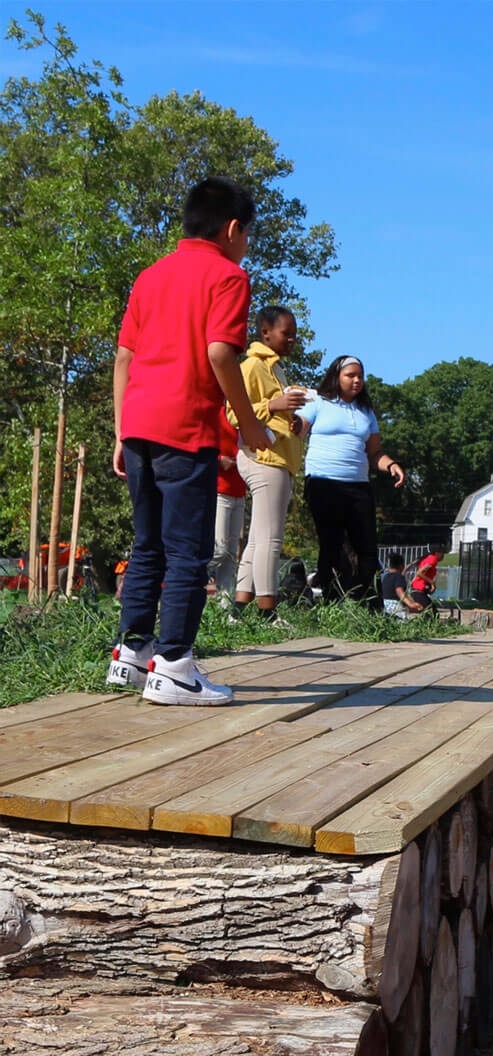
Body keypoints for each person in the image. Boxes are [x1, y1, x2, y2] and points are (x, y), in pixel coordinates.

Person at [106, 177, 272, 706]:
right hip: (185, 428)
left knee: (147, 544)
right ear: (231, 229)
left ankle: (132, 654)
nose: (246, 243)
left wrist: (120, 431)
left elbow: (125, 358)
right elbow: (223, 352)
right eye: (247, 233)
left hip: (138, 425)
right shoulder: (228, 275)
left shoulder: (150, 276)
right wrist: (249, 425)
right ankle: (175, 666)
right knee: (188, 551)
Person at [295, 355, 405, 604]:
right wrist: (292, 421)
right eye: (350, 375)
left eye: (360, 376)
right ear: (337, 377)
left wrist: (391, 465)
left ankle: (369, 603)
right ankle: (331, 602)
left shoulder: (366, 412)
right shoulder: (318, 402)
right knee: (331, 543)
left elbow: (375, 452)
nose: (356, 381)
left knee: (366, 546)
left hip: (358, 485)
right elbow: (298, 428)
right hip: (323, 482)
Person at [228, 305, 306, 624]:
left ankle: (241, 608)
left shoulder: (276, 369)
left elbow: (271, 414)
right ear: (265, 333)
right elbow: (234, 414)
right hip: (264, 460)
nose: (291, 341)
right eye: (285, 334)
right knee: (271, 539)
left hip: (279, 459)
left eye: (294, 336)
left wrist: (294, 420)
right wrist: (275, 404)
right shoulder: (252, 367)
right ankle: (267, 612)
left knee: (259, 539)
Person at [209, 406, 248, 601]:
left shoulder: (247, 414)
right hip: (218, 490)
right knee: (219, 550)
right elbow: (200, 446)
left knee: (231, 555)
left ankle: (224, 608)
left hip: (240, 491)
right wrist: (218, 461)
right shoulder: (216, 411)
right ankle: (179, 585)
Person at [379, 553, 423, 619]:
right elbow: (399, 591)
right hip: (396, 608)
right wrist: (410, 604)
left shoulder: (386, 577)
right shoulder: (399, 577)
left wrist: (412, 564)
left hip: (386, 607)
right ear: (401, 566)